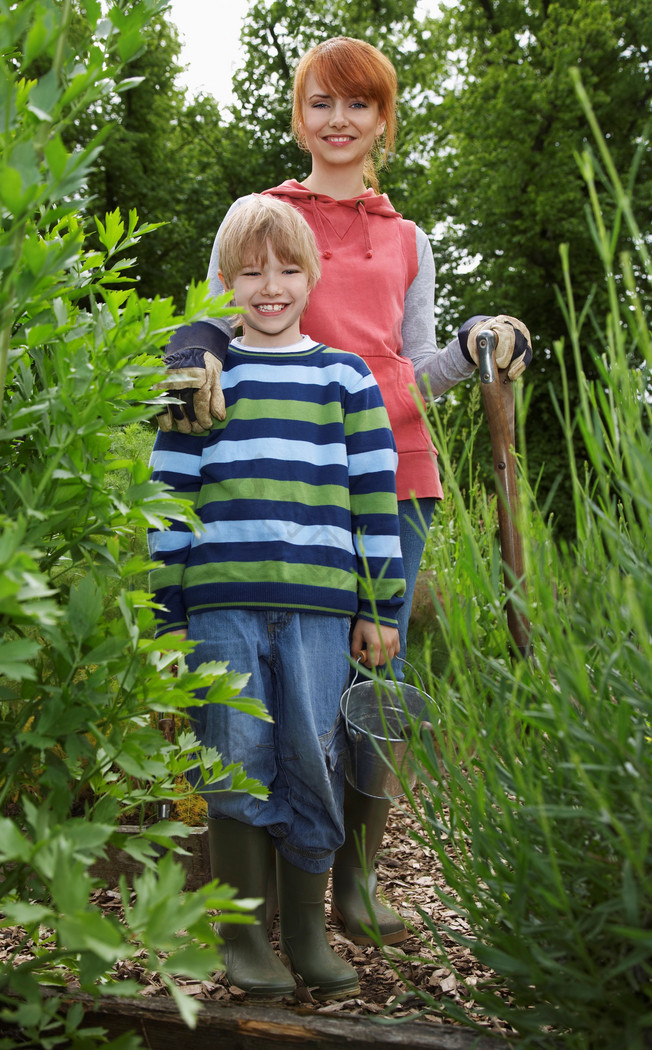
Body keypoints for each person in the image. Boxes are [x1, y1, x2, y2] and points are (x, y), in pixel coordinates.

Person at [156, 36, 533, 949]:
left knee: (378, 674)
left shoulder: (409, 238)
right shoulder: (258, 217)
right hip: (277, 473)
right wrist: (186, 349)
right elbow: (213, 324)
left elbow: (416, 363)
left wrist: (479, 338)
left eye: (357, 105)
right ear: (300, 116)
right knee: (277, 686)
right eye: (320, 102)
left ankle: (355, 889)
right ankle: (271, 908)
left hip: (392, 471)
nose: (338, 120)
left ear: (383, 121)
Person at [148, 193, 405, 1000]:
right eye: (250, 270)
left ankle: (306, 934)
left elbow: (374, 498)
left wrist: (381, 607)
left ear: (312, 276)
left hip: (322, 611)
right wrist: (168, 615)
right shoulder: (202, 380)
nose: (270, 285)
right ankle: (244, 941)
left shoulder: (345, 378)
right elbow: (170, 499)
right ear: (224, 280)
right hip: (222, 604)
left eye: (288, 268)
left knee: (314, 757)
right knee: (237, 758)